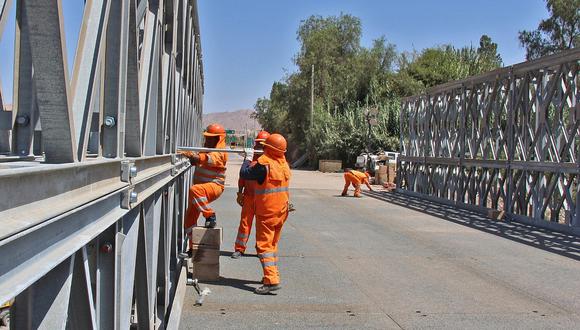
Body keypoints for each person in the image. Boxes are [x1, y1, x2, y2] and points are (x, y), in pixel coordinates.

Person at [239, 134, 291, 294]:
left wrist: (247, 158)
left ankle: (271, 280)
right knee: (272, 245)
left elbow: (245, 174)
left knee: (263, 246)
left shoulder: (264, 165)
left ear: (268, 148)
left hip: (267, 212)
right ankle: (271, 276)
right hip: (281, 211)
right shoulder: (284, 165)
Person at [179, 123, 228, 237]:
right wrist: (191, 156)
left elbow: (208, 159)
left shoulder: (220, 152)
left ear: (218, 139)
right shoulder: (205, 149)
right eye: (206, 137)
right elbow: (195, 161)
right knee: (189, 219)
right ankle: (193, 247)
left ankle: (210, 216)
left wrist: (193, 156)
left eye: (210, 138)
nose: (207, 140)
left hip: (214, 185)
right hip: (200, 190)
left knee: (195, 190)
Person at [231, 130, 271, 259]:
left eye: (263, 145)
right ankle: (239, 248)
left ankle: (261, 250)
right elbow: (242, 176)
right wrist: (239, 192)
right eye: (258, 144)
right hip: (248, 197)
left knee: (262, 226)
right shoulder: (249, 158)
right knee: (244, 223)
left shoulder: (268, 160)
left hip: (263, 199)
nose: (260, 147)